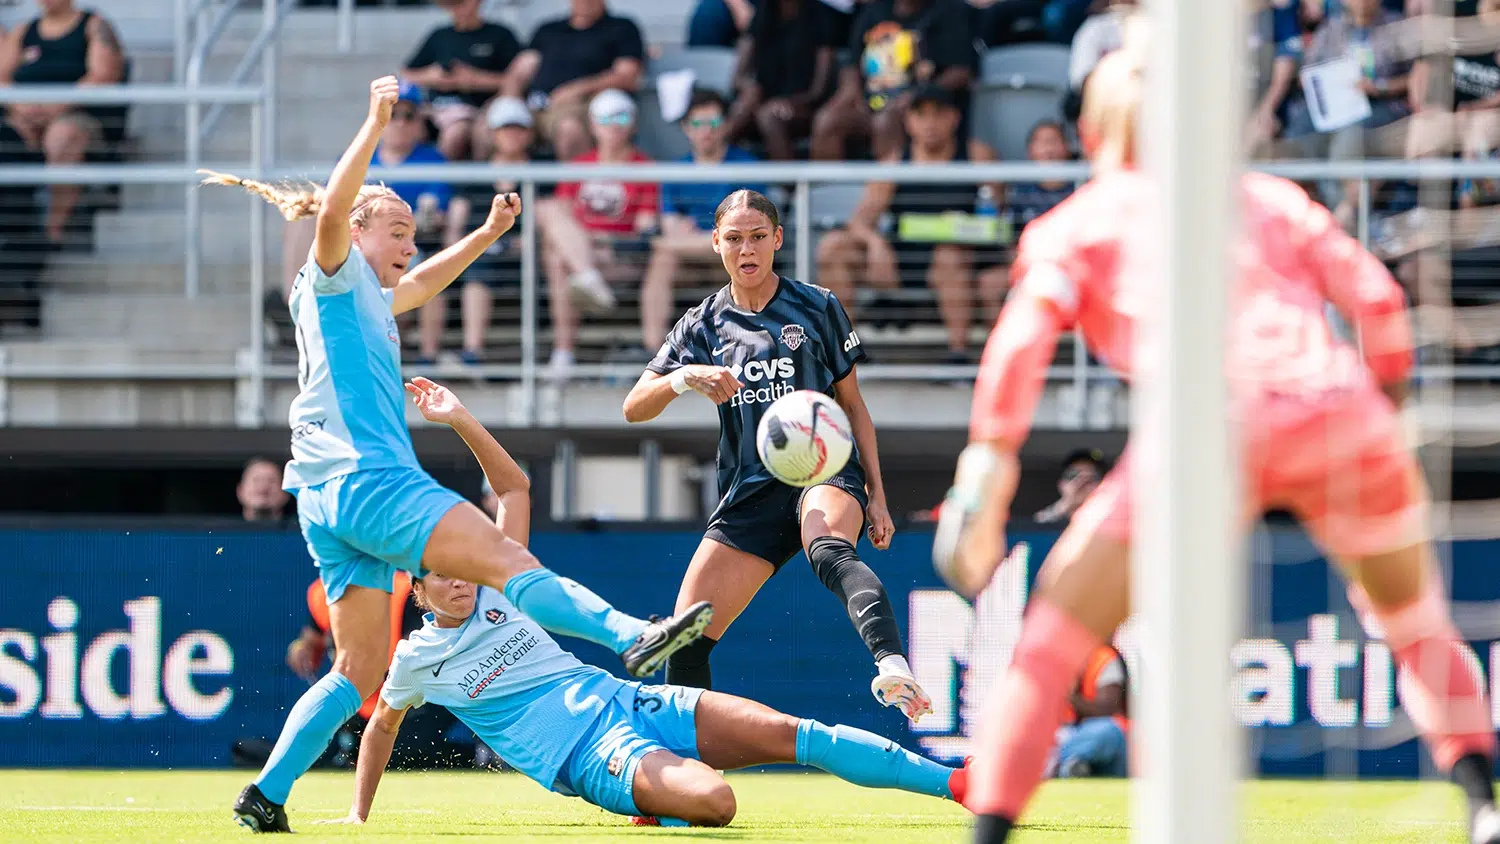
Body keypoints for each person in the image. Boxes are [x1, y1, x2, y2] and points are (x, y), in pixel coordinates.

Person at [930, 38, 1500, 844]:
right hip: (1342, 413)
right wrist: (1383, 415)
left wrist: (985, 477)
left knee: (1050, 644)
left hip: (1207, 431)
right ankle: (1483, 805)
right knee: (1414, 625)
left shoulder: (1082, 220)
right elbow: (1377, 302)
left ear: (1095, 136)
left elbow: (1022, 343)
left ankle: (989, 833)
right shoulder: (1268, 197)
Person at [201, 76, 712, 833]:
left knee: (357, 672)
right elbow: (337, 208)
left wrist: (484, 238)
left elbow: (428, 281)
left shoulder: (367, 294)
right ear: (362, 230)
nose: (410, 244)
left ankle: (265, 794)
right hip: (369, 481)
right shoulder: (334, 270)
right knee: (508, 562)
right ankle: (629, 635)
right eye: (399, 229)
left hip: (326, 497)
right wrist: (374, 121)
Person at [316, 377, 970, 827]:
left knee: (800, 736)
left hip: (630, 701)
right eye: (442, 575)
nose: (460, 578)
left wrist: (458, 418)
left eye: (462, 566)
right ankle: (649, 802)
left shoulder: (501, 591)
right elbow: (382, 728)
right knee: (717, 802)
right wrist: (358, 813)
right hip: (587, 755)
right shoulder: (417, 657)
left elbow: (513, 490)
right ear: (419, 589)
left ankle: (960, 784)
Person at [622, 189, 933, 723]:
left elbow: (854, 407)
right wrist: (681, 378)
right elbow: (634, 408)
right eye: (735, 239)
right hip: (751, 488)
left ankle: (892, 666)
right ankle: (688, 776)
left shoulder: (817, 305)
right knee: (685, 635)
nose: (748, 249)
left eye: (759, 237)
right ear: (716, 242)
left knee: (830, 549)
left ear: (778, 240)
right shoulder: (700, 325)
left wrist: (877, 497)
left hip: (826, 471)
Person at [816, 85, 1002, 362]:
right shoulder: (894, 164)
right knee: (832, 247)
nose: (930, 124)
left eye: (938, 115)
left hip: (961, 256)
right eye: (921, 115)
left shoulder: (977, 156)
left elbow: (999, 214)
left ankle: (958, 354)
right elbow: (859, 221)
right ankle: (846, 351)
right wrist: (876, 243)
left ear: (954, 118)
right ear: (909, 122)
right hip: (903, 258)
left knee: (949, 255)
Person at [643, 89, 766, 358]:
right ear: (687, 128)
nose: (706, 131)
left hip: (737, 258)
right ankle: (653, 352)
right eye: (698, 124)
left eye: (713, 123)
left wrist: (703, 234)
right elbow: (671, 228)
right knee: (664, 255)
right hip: (692, 259)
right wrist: (716, 234)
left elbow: (747, 231)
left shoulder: (747, 166)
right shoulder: (677, 172)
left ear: (725, 125)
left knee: (664, 248)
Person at [0, 0, 125, 244]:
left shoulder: (93, 25)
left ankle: (51, 233)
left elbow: (103, 75)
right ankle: (15, 230)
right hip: (25, 116)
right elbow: (1, 76)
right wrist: (20, 105)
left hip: (74, 115)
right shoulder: (23, 31)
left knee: (62, 136)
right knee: (8, 137)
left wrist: (56, 105)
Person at [400, 0, 522, 162]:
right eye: (454, 4)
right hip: (436, 107)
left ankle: (441, 181)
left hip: (483, 108)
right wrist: (432, 76)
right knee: (401, 121)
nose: (459, 7)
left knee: (457, 131)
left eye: (463, 2)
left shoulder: (500, 34)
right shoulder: (439, 35)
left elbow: (517, 79)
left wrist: (474, 79)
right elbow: (406, 73)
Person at [237, 456, 292, 522]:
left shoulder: (303, 531)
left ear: (286, 492)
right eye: (256, 480)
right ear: (240, 490)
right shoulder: (225, 530)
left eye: (271, 481)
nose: (263, 486)